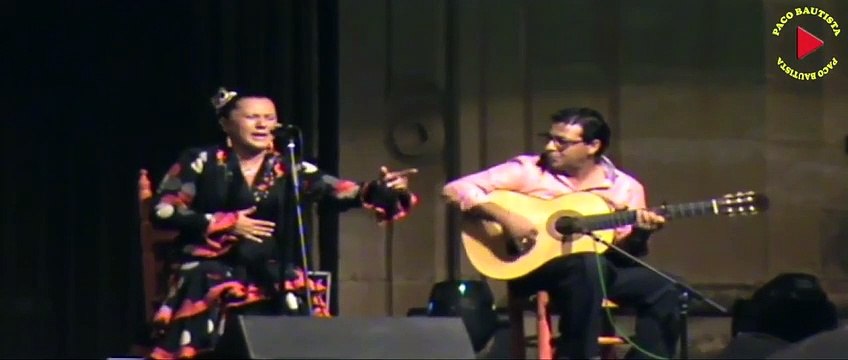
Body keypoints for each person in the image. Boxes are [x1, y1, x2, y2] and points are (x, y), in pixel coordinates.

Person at [147, 87, 418, 359]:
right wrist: (224, 222)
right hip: (210, 266)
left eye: (269, 117)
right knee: (205, 279)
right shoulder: (200, 161)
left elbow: (342, 190)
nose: (263, 124)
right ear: (225, 123)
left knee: (292, 287)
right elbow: (163, 210)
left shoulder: (288, 167)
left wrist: (383, 190)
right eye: (253, 117)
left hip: (270, 268)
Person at [442, 107, 681, 359]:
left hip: (598, 270)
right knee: (588, 264)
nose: (549, 147)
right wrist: (507, 219)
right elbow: (455, 189)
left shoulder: (625, 188)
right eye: (549, 138)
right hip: (534, 269)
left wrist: (641, 233)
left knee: (669, 287)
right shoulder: (528, 170)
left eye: (561, 142)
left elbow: (627, 253)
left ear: (592, 146)